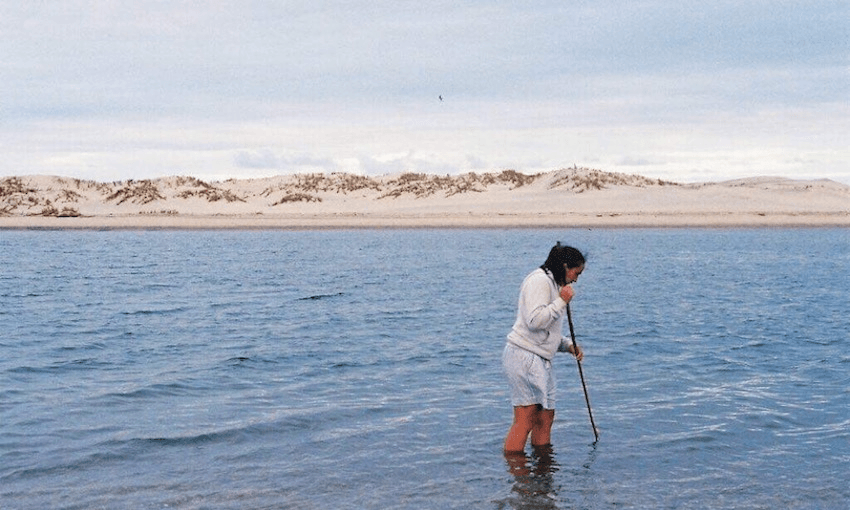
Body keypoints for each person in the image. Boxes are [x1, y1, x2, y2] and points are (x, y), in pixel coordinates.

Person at [503, 242, 585, 453]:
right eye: (576, 273)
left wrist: (567, 345)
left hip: (539, 358)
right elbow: (535, 321)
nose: (576, 279)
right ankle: (517, 473)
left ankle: (543, 473)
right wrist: (561, 302)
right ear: (565, 267)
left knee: (545, 416)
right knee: (526, 416)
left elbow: (544, 332)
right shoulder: (539, 281)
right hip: (524, 357)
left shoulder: (553, 284)